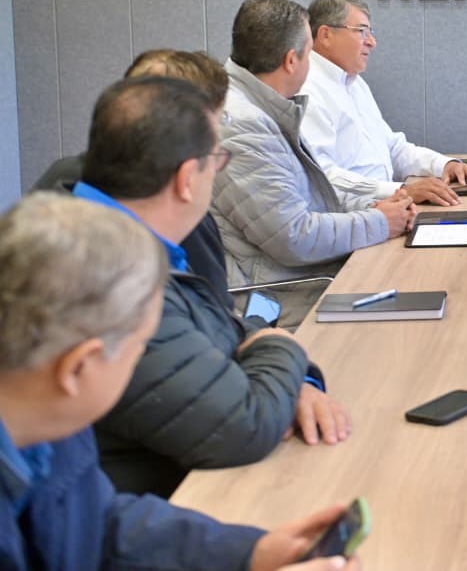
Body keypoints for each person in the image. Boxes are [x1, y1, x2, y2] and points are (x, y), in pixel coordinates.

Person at [0, 193, 359, 570]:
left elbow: (102, 527)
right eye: (139, 347)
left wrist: (248, 553)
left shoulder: (51, 422)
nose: (142, 358)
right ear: (78, 368)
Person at [72, 76, 350, 498]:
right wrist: (282, 345)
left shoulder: (123, 239)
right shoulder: (116, 280)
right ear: (187, 178)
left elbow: (217, 323)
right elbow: (245, 426)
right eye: (217, 160)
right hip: (166, 503)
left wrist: (296, 382)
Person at [214, 0, 415, 286]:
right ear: (291, 61)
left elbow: (315, 197)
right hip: (288, 291)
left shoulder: (260, 107)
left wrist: (378, 205)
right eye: (309, 55)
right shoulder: (243, 126)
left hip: (305, 275)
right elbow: (294, 237)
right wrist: (380, 221)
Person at [32, 49, 233, 291]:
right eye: (217, 120)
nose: (217, 137)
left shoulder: (63, 176)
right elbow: (213, 300)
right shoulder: (173, 205)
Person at [301, 0, 467, 207]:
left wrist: (444, 165)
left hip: (386, 208)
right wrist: (400, 191)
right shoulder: (307, 89)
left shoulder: (355, 84)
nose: (372, 42)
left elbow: (393, 148)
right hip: (353, 215)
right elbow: (322, 176)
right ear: (325, 35)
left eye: (370, 32)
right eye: (361, 31)